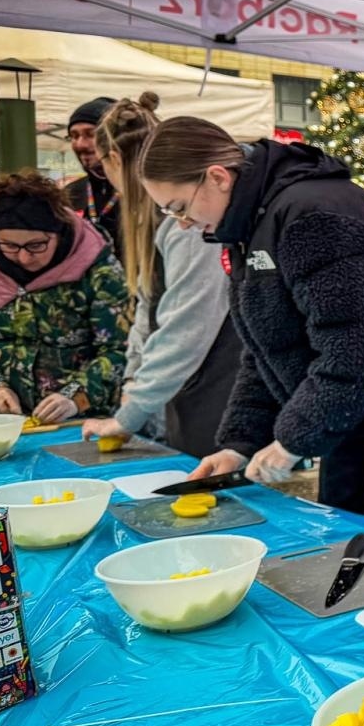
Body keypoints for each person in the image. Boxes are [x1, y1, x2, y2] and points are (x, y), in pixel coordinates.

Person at [137, 119, 364, 533]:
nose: (182, 224)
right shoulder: (248, 228)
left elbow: (357, 347)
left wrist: (293, 440)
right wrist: (239, 443)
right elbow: (265, 350)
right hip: (348, 408)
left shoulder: (315, 215)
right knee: (342, 537)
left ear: (217, 178)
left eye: (179, 207)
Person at [78, 94, 242, 458]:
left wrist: (131, 411)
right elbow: (148, 310)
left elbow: (187, 324)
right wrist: (134, 383)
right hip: (185, 390)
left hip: (219, 393)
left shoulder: (186, 222)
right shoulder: (155, 220)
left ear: (115, 159)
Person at [0, 171, 129, 421]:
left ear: (59, 232)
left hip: (85, 421)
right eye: (10, 246)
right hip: (4, 421)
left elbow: (120, 347)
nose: (24, 257)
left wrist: (76, 396)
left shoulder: (97, 266)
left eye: (37, 245)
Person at [66, 96, 122, 258]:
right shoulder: (69, 194)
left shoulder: (144, 192)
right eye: (74, 136)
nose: (80, 144)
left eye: (90, 134)